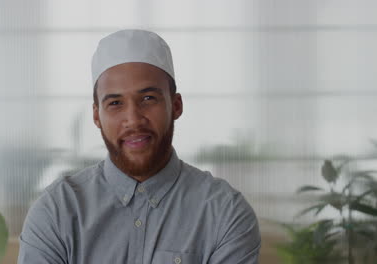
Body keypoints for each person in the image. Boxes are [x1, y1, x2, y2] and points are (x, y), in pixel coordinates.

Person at [18, 29, 261, 264]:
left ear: (176, 105)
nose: (133, 119)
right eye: (115, 103)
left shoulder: (225, 212)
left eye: (148, 99)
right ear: (96, 115)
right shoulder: (57, 210)